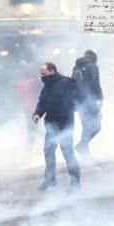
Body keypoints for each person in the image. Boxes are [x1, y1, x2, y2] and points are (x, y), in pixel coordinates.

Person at [33, 62, 81, 191]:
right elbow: (42, 102)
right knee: (48, 151)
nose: (42, 76)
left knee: (67, 152)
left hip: (65, 123)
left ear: (52, 71)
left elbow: (78, 99)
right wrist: (37, 114)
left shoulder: (66, 83)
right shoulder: (46, 86)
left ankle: (75, 182)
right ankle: (50, 180)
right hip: (51, 123)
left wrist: (69, 111)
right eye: (41, 74)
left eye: (44, 73)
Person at [72, 49, 103, 155]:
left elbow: (72, 83)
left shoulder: (76, 67)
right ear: (94, 58)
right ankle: (82, 145)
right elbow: (95, 83)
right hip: (90, 100)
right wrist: (100, 98)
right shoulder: (92, 66)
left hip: (79, 101)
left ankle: (85, 153)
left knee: (86, 126)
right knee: (96, 126)